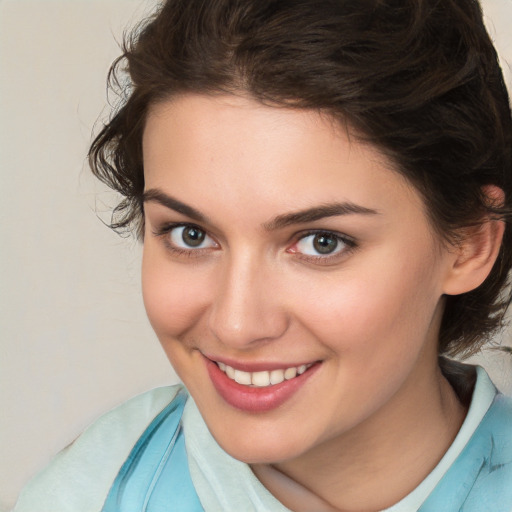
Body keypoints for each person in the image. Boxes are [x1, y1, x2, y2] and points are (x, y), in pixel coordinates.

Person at [12, 0, 512, 510]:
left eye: (322, 242)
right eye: (189, 234)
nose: (236, 325)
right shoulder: (93, 490)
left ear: (470, 242)